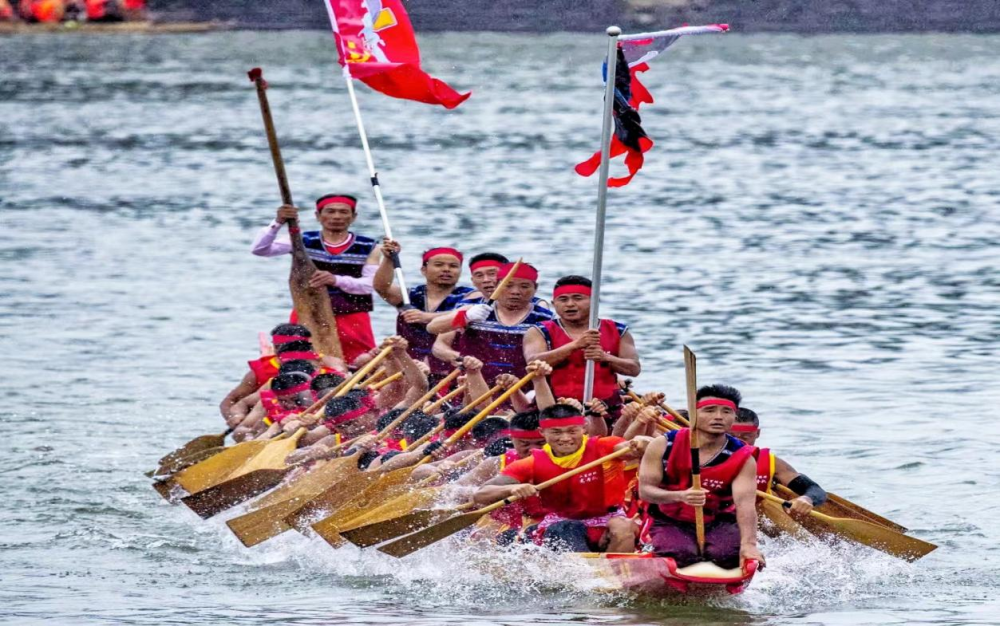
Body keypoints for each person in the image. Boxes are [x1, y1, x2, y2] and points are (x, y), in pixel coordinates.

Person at [473, 403, 650, 553]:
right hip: (564, 524)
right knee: (569, 528)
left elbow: (632, 447)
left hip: (610, 520)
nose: (565, 438)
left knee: (624, 526)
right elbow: (481, 495)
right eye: (556, 432)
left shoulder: (606, 447)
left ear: (583, 428)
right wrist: (511, 489)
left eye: (572, 431)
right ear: (542, 432)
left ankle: (619, 573)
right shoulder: (530, 464)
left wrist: (642, 443)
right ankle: (582, 572)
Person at [637, 384, 765, 569]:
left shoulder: (743, 457)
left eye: (726, 411)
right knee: (680, 554)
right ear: (694, 413)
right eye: (710, 410)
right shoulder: (663, 444)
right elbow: (646, 492)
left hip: (718, 520)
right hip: (669, 518)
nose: (719, 417)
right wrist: (681, 496)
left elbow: (745, 505)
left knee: (726, 557)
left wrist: (749, 545)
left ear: (734, 417)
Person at [251, 195, 379, 364]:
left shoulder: (369, 246)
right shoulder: (302, 240)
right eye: (330, 212)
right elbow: (260, 249)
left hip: (351, 316)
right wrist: (278, 222)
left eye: (343, 212)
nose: (336, 217)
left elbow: (369, 286)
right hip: (307, 311)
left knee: (360, 362)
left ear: (353, 217)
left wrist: (335, 280)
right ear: (318, 216)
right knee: (300, 360)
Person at [523, 276, 639, 418]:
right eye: (563, 299)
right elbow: (533, 363)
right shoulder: (538, 331)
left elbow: (634, 368)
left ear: (594, 301)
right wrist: (575, 345)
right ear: (554, 304)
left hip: (606, 407)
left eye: (578, 298)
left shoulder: (618, 330)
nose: (570, 304)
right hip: (555, 407)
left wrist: (605, 357)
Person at [427, 262, 553, 385]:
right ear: (497, 285)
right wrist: (466, 317)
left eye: (524, 286)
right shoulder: (474, 309)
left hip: (521, 389)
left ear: (535, 288)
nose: (516, 291)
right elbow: (433, 327)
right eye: (508, 285)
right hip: (472, 386)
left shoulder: (545, 318)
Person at [373, 239, 475, 379]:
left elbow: (471, 312)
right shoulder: (409, 296)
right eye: (439, 265)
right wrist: (389, 259)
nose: (446, 269)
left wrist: (426, 317)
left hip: (450, 370)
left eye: (453, 266)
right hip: (409, 367)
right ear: (423, 270)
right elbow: (381, 287)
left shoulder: (470, 296)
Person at [732, 407, 827, 515]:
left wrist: (806, 499)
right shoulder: (708, 460)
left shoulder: (771, 463)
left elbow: (815, 490)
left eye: (745, 437)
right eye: (730, 436)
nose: (738, 443)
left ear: (757, 433)